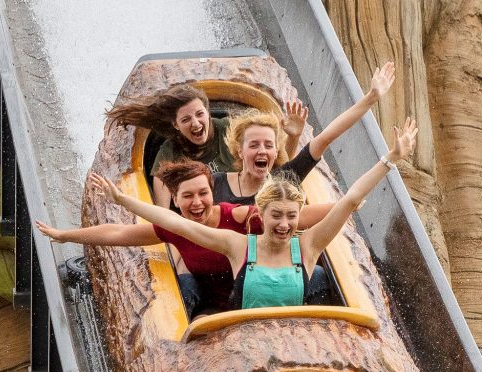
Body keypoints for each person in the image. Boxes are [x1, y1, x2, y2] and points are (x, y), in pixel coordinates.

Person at [91, 119, 419, 310]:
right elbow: (173, 222)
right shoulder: (236, 245)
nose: (285, 224)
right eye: (277, 216)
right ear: (261, 214)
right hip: (245, 341)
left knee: (320, 278)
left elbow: (351, 199)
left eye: (291, 217)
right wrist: (123, 200)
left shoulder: (308, 246)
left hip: (294, 339)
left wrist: (390, 159)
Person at [35, 161, 331, 316]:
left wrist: (346, 206)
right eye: (188, 196)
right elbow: (119, 232)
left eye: (203, 193)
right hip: (212, 303)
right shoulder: (177, 227)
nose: (197, 202)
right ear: (175, 200)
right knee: (185, 286)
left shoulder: (242, 217)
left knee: (316, 274)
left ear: (213, 192)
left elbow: (294, 216)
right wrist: (65, 235)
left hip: (265, 295)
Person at [213, 61, 396, 206]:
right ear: (240, 151)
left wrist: (371, 98)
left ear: (275, 152)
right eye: (254, 145)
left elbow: (325, 138)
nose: (262, 150)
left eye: (268, 145)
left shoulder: (281, 182)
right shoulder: (215, 182)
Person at [106, 85, 308, 208]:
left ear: (208, 112)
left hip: (251, 206)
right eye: (186, 119)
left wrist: (293, 137)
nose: (195, 123)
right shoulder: (169, 153)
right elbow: (161, 210)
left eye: (199, 114)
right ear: (176, 125)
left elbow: (279, 168)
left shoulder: (230, 129)